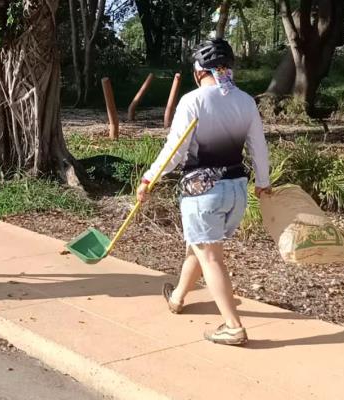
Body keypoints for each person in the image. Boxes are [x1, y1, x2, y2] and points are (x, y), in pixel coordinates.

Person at [136, 39, 271, 345]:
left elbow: (175, 149)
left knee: (210, 256)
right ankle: (178, 297)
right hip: (236, 191)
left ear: (198, 70)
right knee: (199, 247)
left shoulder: (193, 101)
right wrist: (263, 181)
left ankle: (233, 326)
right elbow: (258, 148)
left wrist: (149, 178)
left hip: (203, 192)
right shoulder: (246, 101)